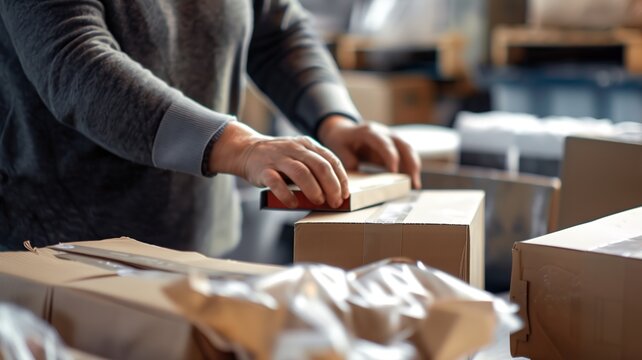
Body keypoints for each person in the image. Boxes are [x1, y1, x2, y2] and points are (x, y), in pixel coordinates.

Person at [0, 0, 420, 253]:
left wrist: (334, 120)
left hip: (198, 245)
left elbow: (277, 29)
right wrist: (238, 146)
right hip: (60, 252)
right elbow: (74, 61)